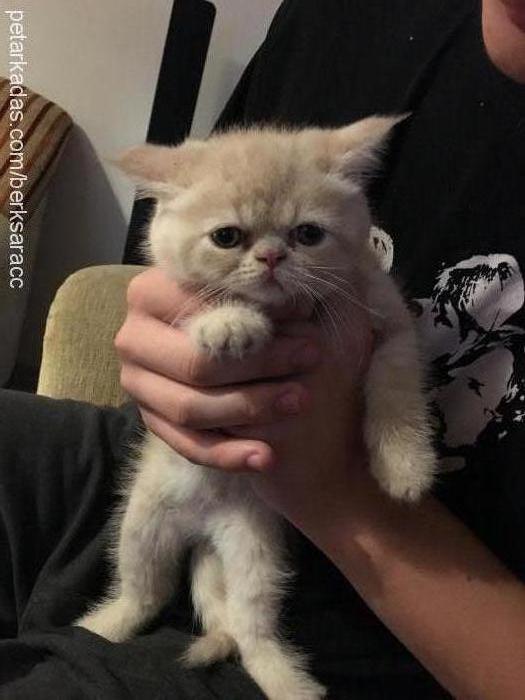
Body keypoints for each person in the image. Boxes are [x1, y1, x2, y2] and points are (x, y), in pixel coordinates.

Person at [1, 0, 524, 697]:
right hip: (176, 454)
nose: (272, 261)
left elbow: (392, 338)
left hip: (387, 616)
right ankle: (136, 599)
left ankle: (244, 635)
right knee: (143, 517)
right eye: (235, 240)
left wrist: (343, 470)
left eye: (306, 237)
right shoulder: (343, 22)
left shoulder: (357, 284)